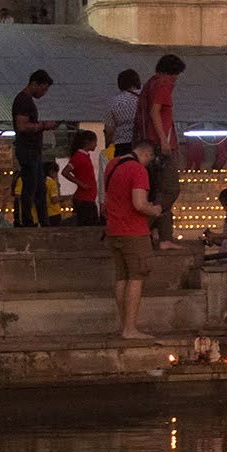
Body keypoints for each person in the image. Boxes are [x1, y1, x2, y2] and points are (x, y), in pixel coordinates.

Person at [105, 135, 158, 340]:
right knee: (136, 278)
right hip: (133, 231)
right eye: (149, 158)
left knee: (121, 278)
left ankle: (124, 325)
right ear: (147, 154)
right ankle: (130, 328)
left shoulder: (112, 165)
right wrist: (154, 210)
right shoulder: (138, 169)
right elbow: (139, 204)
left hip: (114, 229)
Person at [141, 54, 185, 249]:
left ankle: (165, 238)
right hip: (161, 145)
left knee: (159, 192)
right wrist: (163, 140)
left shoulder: (151, 83)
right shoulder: (163, 84)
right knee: (170, 190)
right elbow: (155, 112)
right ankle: (143, 227)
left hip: (151, 144)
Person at [8, 70, 55, 227]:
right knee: (31, 186)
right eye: (43, 89)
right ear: (34, 84)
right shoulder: (23, 101)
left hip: (32, 149)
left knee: (39, 187)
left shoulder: (26, 101)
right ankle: (27, 220)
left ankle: (43, 219)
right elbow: (22, 126)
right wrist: (42, 126)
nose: (43, 94)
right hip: (27, 148)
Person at [64, 129, 102, 225]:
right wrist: (81, 184)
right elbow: (65, 172)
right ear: (88, 142)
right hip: (85, 199)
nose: (96, 145)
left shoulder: (84, 156)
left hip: (88, 198)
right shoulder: (79, 156)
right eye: (95, 142)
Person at [107, 69, 142, 158]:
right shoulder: (144, 97)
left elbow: (109, 130)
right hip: (142, 143)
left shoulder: (114, 102)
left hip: (121, 145)